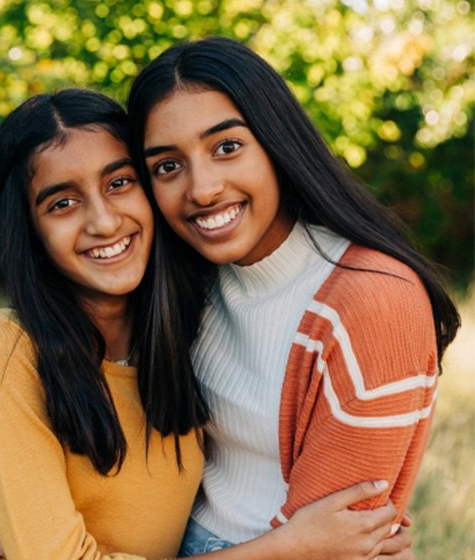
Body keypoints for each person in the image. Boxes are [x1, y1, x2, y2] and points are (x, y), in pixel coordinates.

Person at [0, 86, 413, 560]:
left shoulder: (183, 330)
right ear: (29, 230)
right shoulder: (6, 346)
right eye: (62, 204)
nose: (104, 222)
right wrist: (290, 547)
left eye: (119, 183)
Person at [125, 36, 460, 552]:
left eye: (227, 147)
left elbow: (334, 543)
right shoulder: (181, 282)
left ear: (277, 143)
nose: (202, 189)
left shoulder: (375, 301)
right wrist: (1, 468)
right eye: (167, 165)